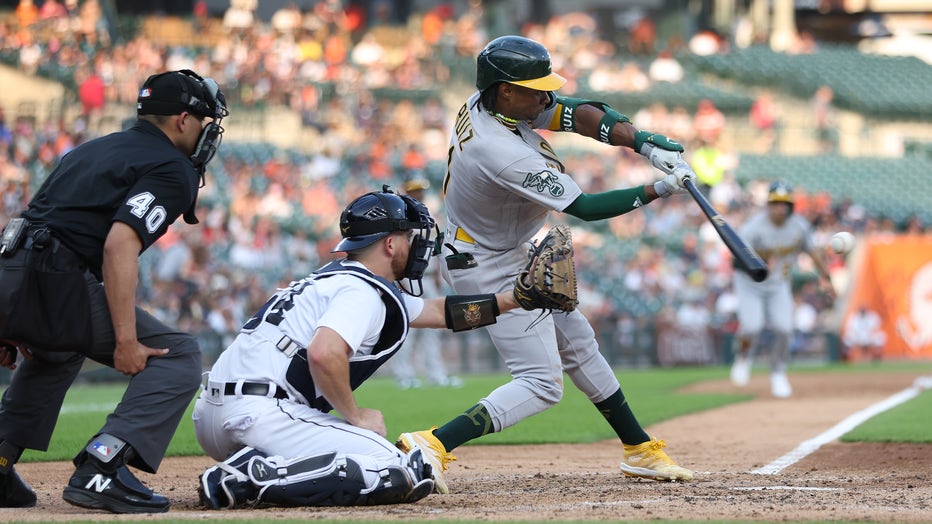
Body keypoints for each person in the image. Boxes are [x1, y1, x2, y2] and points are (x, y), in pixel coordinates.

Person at [396, 35, 695, 494]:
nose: (545, 96)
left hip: (498, 247)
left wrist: (644, 143)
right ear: (505, 90)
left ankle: (639, 450)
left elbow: (575, 113)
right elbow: (587, 207)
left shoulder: (490, 101)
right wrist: (658, 188)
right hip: (484, 264)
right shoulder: (502, 151)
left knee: (581, 345)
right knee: (541, 382)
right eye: (534, 88)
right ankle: (433, 443)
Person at [193, 187, 526, 509]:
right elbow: (323, 353)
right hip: (260, 414)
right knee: (400, 468)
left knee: (370, 462)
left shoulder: (337, 279)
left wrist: (517, 298)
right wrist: (355, 415)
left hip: (216, 412)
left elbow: (442, 313)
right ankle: (249, 478)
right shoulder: (360, 291)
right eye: (409, 237)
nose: (414, 246)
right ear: (391, 244)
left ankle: (260, 469)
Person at [0, 69, 229, 513]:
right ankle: (103, 468)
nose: (207, 133)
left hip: (10, 268)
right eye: (204, 121)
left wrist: (12, 320)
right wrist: (127, 340)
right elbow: (119, 243)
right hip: (54, 276)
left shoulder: (94, 148)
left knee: (58, 348)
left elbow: (35, 224)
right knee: (179, 356)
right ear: (183, 120)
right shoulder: (173, 167)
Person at [729, 181, 835, 398]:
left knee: (785, 328)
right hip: (750, 283)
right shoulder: (753, 227)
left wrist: (826, 276)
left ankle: (778, 373)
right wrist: (759, 261)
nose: (780, 208)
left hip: (778, 284)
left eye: (784, 203)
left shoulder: (799, 226)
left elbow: (812, 252)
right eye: (776, 203)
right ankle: (743, 357)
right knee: (752, 326)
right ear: (769, 204)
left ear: (791, 206)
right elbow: (735, 259)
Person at [391, 178, 461, 389]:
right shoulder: (400, 217)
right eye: (414, 191)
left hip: (428, 277)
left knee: (434, 326)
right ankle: (404, 375)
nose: (418, 195)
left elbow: (436, 250)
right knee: (408, 328)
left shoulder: (428, 217)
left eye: (420, 191)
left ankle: (435, 374)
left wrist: (439, 279)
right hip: (408, 278)